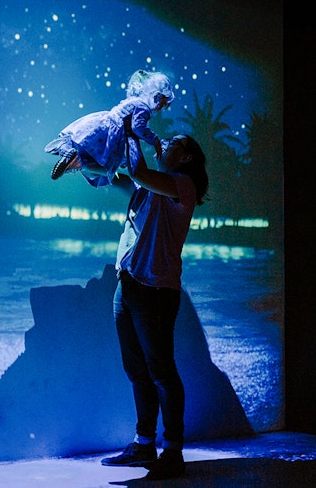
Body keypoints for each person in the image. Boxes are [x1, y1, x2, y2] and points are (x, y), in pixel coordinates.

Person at [99, 134, 208, 481]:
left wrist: (132, 131)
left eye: (173, 142)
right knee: (138, 370)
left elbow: (139, 172)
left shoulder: (183, 185)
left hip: (156, 291)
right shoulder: (147, 187)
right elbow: (117, 177)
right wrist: (83, 162)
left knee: (161, 371)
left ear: (186, 158)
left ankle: (173, 451)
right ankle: (144, 443)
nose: (164, 143)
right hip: (129, 285)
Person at [44, 70, 173, 187]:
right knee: (108, 167)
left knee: (83, 144)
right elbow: (138, 127)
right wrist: (154, 140)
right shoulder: (144, 108)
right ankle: (79, 163)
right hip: (115, 133)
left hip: (103, 122)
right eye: (164, 103)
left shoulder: (134, 101)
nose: (163, 108)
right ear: (157, 96)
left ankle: (65, 149)